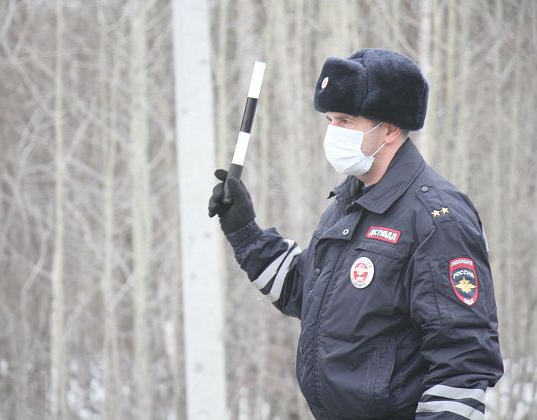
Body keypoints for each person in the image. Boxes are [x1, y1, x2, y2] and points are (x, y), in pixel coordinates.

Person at [208, 48, 503, 419]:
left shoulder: (436, 219)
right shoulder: (348, 202)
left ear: (391, 129)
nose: (333, 132)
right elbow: (305, 292)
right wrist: (244, 231)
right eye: (330, 120)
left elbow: (464, 359)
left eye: (346, 121)